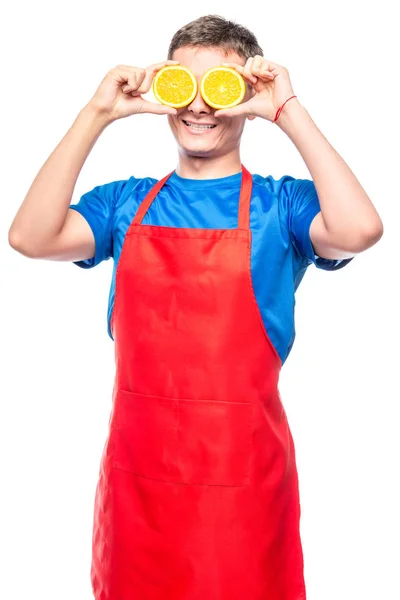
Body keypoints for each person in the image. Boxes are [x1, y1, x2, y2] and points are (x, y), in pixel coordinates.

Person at [8, 13, 383, 600]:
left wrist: (287, 109)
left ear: (247, 96)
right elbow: (30, 237)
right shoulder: (126, 203)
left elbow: (360, 230)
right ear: (164, 90)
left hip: (243, 491)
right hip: (138, 487)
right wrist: (97, 113)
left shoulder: (282, 208)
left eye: (221, 88)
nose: (200, 106)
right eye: (185, 85)